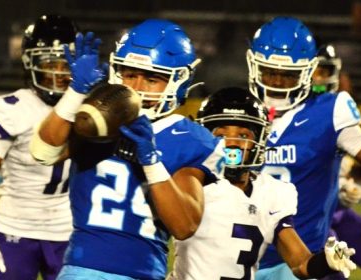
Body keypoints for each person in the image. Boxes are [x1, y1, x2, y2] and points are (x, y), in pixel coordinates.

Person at [30, 19, 221, 279]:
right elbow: (43, 151)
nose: (137, 88)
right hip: (80, 268)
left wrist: (151, 161)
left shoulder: (190, 138)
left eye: (152, 78)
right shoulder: (98, 116)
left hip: (140, 272)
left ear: (178, 81)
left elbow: (184, 225)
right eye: (130, 75)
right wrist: (75, 93)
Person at [168, 87, 357, 280]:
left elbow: (301, 264)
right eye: (221, 135)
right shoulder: (190, 183)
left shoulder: (272, 192)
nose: (232, 143)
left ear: (259, 140)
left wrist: (327, 261)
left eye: (243, 135)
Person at [244, 16, 361, 280]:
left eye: (288, 74)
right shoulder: (239, 113)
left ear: (306, 71)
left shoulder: (330, 110)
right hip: (243, 256)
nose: (277, 82)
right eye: (270, 71)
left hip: (304, 258)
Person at [0, 14, 76, 280]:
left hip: (67, 230)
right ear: (31, 63)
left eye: (66, 64)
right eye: (51, 63)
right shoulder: (12, 109)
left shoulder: (86, 107)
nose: (59, 73)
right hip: (15, 229)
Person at [312, 44, 361, 280]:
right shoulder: (288, 115)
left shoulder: (338, 110)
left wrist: (341, 185)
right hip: (312, 218)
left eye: (324, 71)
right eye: (316, 71)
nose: (321, 78)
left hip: (336, 211)